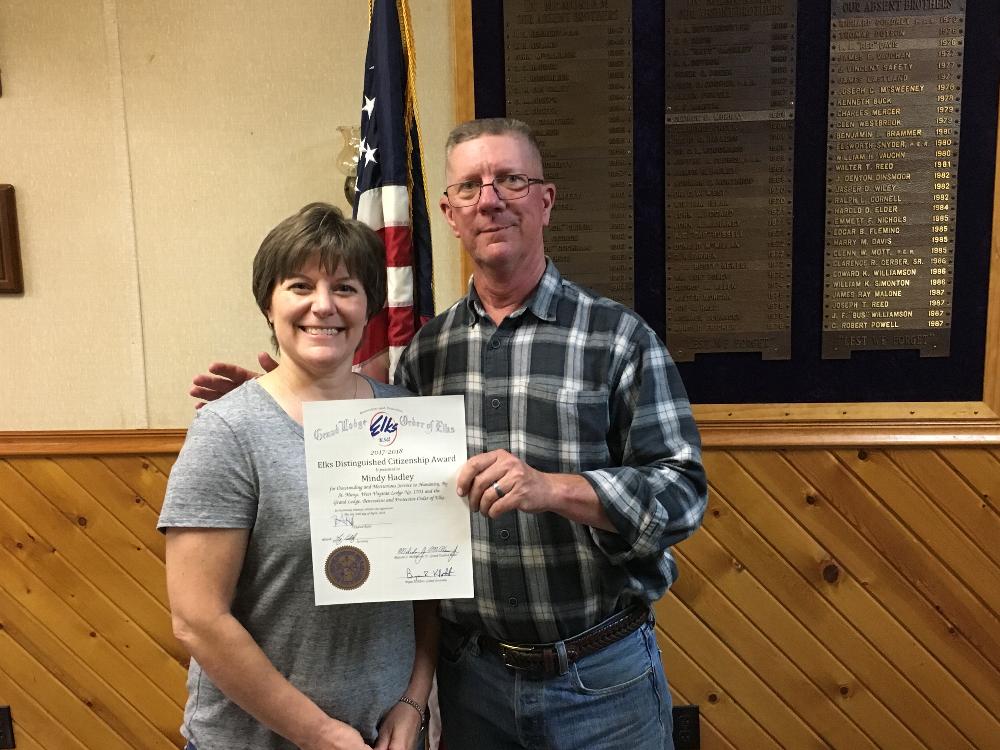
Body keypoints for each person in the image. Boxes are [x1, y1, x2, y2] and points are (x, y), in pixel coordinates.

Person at [192, 119, 707, 750]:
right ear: (450, 214)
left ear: (544, 200)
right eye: (469, 187)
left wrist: (553, 489)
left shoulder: (618, 340)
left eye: (511, 180)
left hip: (598, 679)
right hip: (473, 684)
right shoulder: (425, 355)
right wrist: (290, 403)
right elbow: (386, 480)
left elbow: (682, 494)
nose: (489, 199)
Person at [162, 203, 437, 750]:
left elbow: (428, 582)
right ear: (269, 302)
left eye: (344, 287)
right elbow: (197, 619)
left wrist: (415, 702)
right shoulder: (229, 431)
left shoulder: (408, 419)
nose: (323, 306)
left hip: (386, 734)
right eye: (299, 285)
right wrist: (323, 735)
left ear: (368, 306)